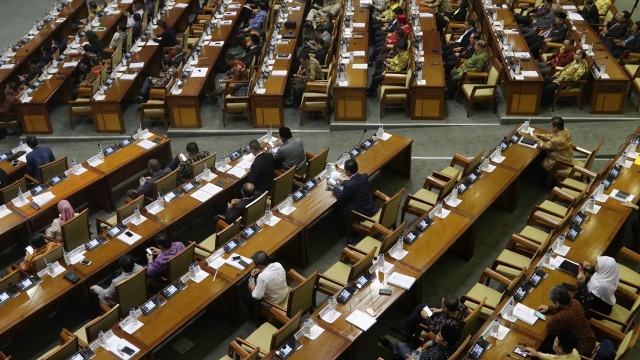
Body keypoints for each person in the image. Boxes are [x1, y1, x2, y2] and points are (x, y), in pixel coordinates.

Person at [536, 285, 596, 356]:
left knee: (542, 345)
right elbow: (564, 308)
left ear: (557, 303)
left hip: (579, 350)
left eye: (552, 302)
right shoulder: (575, 302)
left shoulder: (560, 317)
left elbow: (551, 330)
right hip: (591, 339)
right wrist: (549, 308)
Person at [391, 295, 469, 341]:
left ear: (446, 309)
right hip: (441, 315)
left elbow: (434, 330)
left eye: (443, 305)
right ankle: (408, 330)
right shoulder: (461, 306)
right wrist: (440, 310)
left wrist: (426, 317)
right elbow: (464, 309)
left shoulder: (447, 324)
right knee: (421, 307)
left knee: (420, 311)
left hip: (434, 323)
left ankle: (407, 331)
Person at [383, 324, 460, 360]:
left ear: (445, 343)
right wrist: (434, 341)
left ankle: (391, 347)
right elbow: (424, 347)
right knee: (403, 347)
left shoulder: (437, 356)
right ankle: (396, 351)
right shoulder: (451, 344)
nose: (437, 335)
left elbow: (424, 348)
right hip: (422, 354)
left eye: (439, 335)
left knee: (400, 345)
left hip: (416, 358)